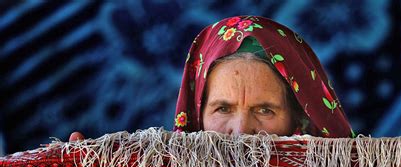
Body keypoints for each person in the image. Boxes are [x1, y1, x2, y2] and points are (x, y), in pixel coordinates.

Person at [70, 15, 354, 141]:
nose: (242, 131)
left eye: (265, 110)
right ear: (196, 114)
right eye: (223, 108)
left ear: (299, 117)